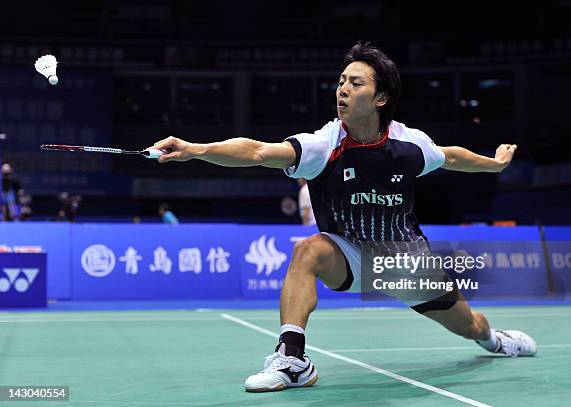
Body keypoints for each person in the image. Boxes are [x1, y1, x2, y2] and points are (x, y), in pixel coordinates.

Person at [150, 42, 536, 392]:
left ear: (381, 97)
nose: (343, 89)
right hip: (350, 254)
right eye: (341, 82)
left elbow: (450, 156)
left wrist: (494, 165)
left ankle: (496, 341)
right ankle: (293, 359)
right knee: (307, 252)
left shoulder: (408, 145)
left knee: (470, 325)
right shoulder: (324, 146)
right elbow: (257, 152)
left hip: (406, 261)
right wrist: (195, 148)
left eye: (355, 83)